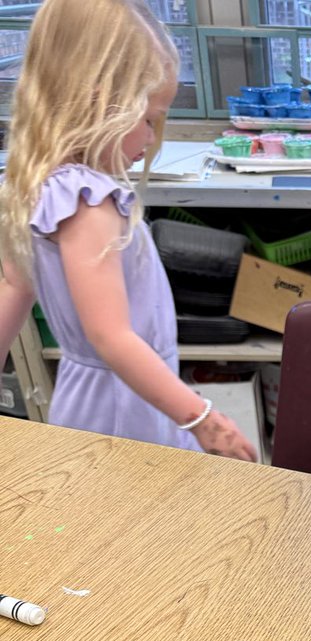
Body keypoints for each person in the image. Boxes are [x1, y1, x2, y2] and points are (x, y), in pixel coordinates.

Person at [0, 0, 255, 459]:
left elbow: (13, 289)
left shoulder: (36, 184)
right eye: (149, 120)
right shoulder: (88, 199)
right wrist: (206, 421)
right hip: (122, 406)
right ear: (99, 102)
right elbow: (111, 336)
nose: (153, 138)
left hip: (102, 397)